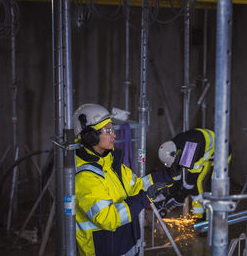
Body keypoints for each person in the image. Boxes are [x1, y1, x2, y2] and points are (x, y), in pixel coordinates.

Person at [73, 103, 179, 256]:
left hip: (126, 245)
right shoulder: (85, 177)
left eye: (113, 129)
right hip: (105, 250)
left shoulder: (111, 164)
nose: (114, 135)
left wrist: (166, 175)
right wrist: (144, 198)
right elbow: (107, 218)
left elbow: (137, 186)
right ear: (91, 136)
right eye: (108, 130)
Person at [157, 128, 231, 219]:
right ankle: (199, 216)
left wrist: (179, 198)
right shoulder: (173, 145)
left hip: (222, 152)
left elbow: (190, 182)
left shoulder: (191, 152)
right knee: (197, 184)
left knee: (210, 186)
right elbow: (175, 172)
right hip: (207, 151)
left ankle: (211, 220)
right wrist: (171, 194)